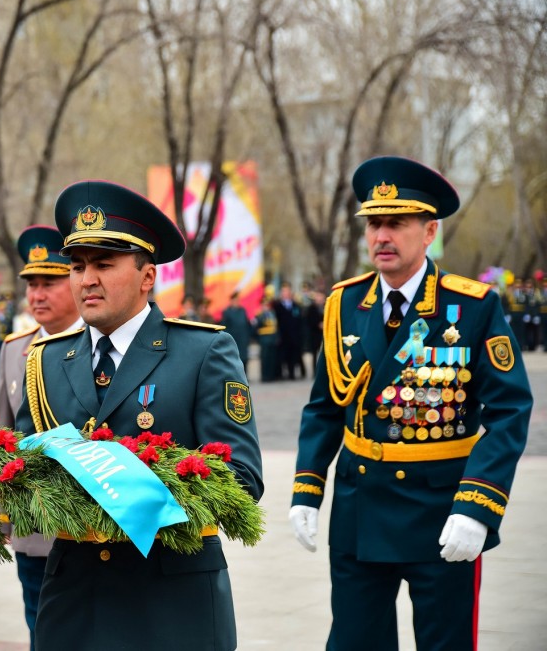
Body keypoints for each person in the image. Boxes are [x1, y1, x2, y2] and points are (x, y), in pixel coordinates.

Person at [289, 156, 532, 651]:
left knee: (445, 643)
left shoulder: (473, 306)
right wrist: (307, 488)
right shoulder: (343, 306)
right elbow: (324, 407)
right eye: (374, 224)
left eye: (396, 223)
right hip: (360, 508)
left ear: (429, 232)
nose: (381, 235)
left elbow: (510, 411)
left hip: (441, 512)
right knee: (355, 642)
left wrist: (478, 505)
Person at [15, 180, 264, 651]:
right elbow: (23, 463)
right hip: (74, 598)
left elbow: (242, 478)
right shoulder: (45, 359)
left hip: (171, 599)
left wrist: (128, 488)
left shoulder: (204, 351)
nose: (87, 279)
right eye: (78, 266)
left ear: (148, 277)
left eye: (104, 265)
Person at [0, 225, 82, 650]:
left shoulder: (95, 345)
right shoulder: (15, 348)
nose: (37, 295)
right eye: (31, 284)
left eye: (50, 283)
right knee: (41, 629)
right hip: (32, 521)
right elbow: (2, 432)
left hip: (89, 521)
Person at [273, 281, 305, 379]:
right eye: (283, 292)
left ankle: (292, 374)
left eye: (287, 292)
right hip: (282, 336)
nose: (285, 294)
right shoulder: (277, 306)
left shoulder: (296, 306)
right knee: (282, 356)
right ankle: (281, 374)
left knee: (293, 356)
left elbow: (300, 321)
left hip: (294, 335)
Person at [219, 290, 253, 372]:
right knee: (233, 358)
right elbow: (224, 327)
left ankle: (245, 375)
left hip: (243, 339)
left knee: (244, 358)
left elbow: (247, 324)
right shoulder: (227, 312)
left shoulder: (242, 311)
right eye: (235, 300)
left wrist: (248, 336)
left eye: (238, 300)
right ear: (231, 301)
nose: (236, 302)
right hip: (233, 339)